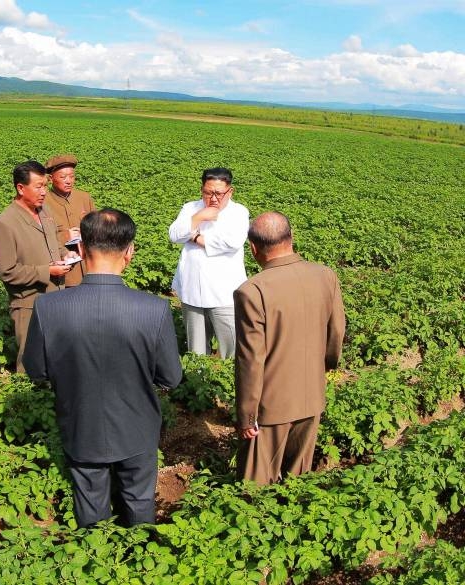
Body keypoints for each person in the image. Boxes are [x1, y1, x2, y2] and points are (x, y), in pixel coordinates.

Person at [24, 208, 183, 528]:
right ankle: (140, 561)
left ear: (80, 250)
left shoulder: (48, 307)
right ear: (130, 252)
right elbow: (170, 376)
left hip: (81, 424)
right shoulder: (153, 309)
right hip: (137, 428)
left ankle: (95, 559)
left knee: (89, 499)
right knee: (139, 501)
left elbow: (37, 371)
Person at [234, 211, 345, 485]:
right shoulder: (325, 275)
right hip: (312, 395)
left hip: (271, 407)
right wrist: (324, 368)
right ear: (292, 238)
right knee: (299, 480)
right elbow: (337, 333)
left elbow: (251, 360)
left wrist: (247, 415)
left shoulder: (253, 290)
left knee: (255, 486)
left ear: (253, 248)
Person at [0, 160, 75, 372]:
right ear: (21, 188)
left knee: (55, 354)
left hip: (56, 294)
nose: (44, 192)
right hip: (29, 302)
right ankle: (26, 400)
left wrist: (67, 255)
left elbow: (54, 242)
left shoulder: (44, 211)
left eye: (45, 186)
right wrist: (46, 271)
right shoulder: (6, 223)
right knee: (30, 357)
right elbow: (7, 271)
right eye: (38, 186)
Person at [168, 167, 249, 358]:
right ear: (201, 189)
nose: (213, 198)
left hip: (224, 294)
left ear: (230, 191)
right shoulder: (191, 208)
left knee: (232, 348)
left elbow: (232, 241)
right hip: (192, 290)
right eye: (208, 192)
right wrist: (199, 217)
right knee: (196, 350)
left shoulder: (238, 212)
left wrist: (195, 238)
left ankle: (231, 383)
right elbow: (174, 235)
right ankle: (198, 382)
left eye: (219, 194)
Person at [44, 154, 97, 286]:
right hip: (65, 274)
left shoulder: (84, 198)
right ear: (50, 178)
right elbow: (37, 237)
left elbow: (97, 227)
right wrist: (64, 236)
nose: (69, 181)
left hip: (89, 269)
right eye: (63, 177)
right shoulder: (43, 203)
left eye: (72, 176)